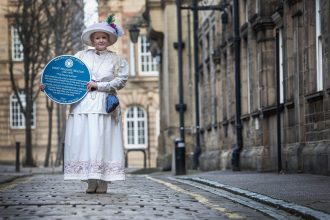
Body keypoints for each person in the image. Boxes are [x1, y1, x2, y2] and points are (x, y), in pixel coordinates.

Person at [40, 15, 128, 193]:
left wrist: (99, 85)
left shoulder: (117, 60)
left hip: (104, 106)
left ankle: (103, 179)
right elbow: (66, 75)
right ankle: (90, 179)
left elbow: (121, 80)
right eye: (97, 37)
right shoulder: (80, 56)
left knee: (102, 141)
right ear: (92, 40)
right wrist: (49, 86)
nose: (101, 40)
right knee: (85, 141)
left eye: (104, 37)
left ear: (109, 40)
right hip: (82, 106)